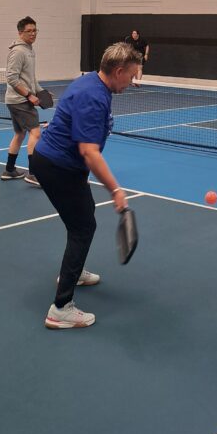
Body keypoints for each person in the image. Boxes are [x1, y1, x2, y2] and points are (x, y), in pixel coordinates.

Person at [31, 42, 140, 329]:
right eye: (131, 76)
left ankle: (74, 271)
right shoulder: (94, 96)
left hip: (59, 164)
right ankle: (61, 308)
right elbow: (89, 152)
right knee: (83, 228)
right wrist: (115, 190)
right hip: (58, 167)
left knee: (83, 216)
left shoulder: (92, 82)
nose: (132, 82)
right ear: (118, 71)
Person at [1, 16, 45, 183]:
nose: (33, 34)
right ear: (20, 33)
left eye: (35, 30)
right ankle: (33, 174)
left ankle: (9, 170)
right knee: (36, 133)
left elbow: (30, 78)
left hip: (18, 100)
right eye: (29, 31)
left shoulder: (29, 50)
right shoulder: (18, 52)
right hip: (19, 101)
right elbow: (12, 78)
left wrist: (41, 91)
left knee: (20, 134)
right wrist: (29, 95)